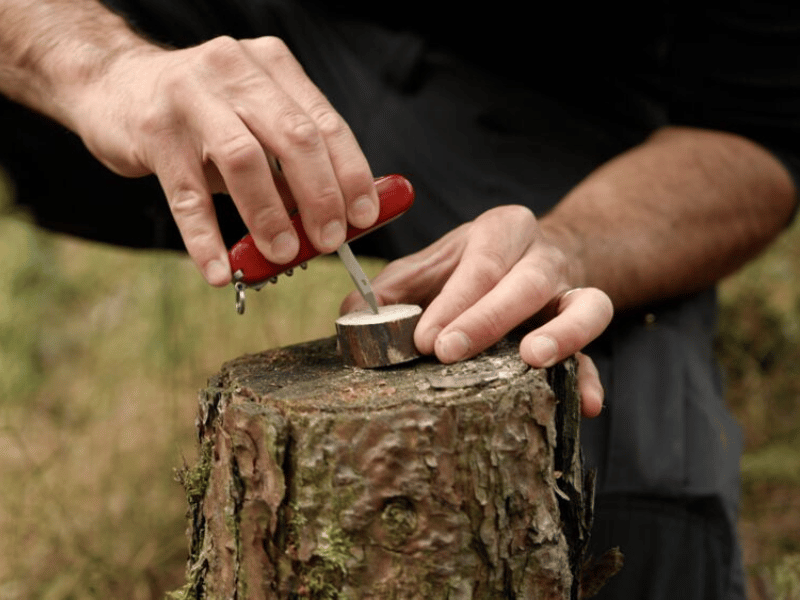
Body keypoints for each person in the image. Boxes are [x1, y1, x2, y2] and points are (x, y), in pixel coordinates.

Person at [1, 0, 797, 598]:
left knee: (635, 469)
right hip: (183, 26)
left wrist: (573, 243)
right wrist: (95, 64)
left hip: (559, 108)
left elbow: (755, 131)